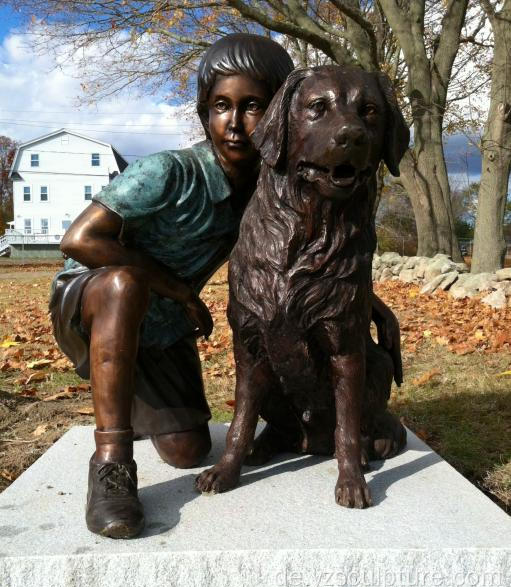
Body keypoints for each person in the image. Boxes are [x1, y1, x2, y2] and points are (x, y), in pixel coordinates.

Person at [50, 33, 401, 539]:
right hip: (93, 300)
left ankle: (130, 388)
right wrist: (179, 290)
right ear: (203, 114)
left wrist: (361, 298)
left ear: (281, 114)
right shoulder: (167, 172)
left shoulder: (272, 180)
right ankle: (111, 464)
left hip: (161, 328)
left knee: (188, 451)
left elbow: (296, 258)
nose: (235, 124)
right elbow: (80, 241)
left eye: (253, 106)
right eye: (220, 107)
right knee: (124, 285)